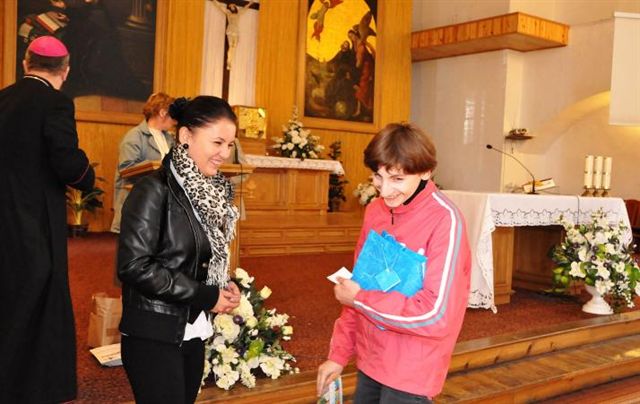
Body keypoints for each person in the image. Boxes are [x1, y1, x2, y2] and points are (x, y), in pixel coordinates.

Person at [316, 123, 471, 403]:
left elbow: (435, 315)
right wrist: (338, 354)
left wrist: (360, 299)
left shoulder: (445, 220)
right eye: (378, 176)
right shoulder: (375, 211)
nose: (384, 190)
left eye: (397, 179)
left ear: (426, 171)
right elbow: (358, 285)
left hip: (413, 368)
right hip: (371, 359)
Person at [117, 96, 242, 404]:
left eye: (230, 144)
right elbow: (135, 266)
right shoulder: (152, 190)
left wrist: (222, 285)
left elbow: (198, 257)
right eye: (217, 142)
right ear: (186, 136)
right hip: (155, 332)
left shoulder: (211, 192)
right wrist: (205, 296)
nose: (225, 153)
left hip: (192, 328)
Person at [0, 35, 95, 403]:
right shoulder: (56, 102)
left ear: (26, 63)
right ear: (65, 71)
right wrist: (86, 177)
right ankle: (33, 385)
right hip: (33, 218)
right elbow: (66, 160)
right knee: (38, 293)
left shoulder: (3, 98)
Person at [111, 92, 176, 233]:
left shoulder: (169, 138)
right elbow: (126, 169)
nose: (175, 121)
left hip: (161, 202)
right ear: (163, 112)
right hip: (138, 204)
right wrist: (156, 166)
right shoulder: (134, 136)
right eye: (173, 115)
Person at [213, 0, 255, 70]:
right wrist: (215, 1)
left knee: (234, 48)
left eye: (233, 6)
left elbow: (245, 8)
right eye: (231, 7)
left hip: (236, 32)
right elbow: (220, 7)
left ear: (235, 7)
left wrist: (250, 3)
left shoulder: (239, 13)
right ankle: (228, 62)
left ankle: (230, 61)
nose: (232, 7)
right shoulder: (228, 13)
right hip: (230, 31)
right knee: (230, 47)